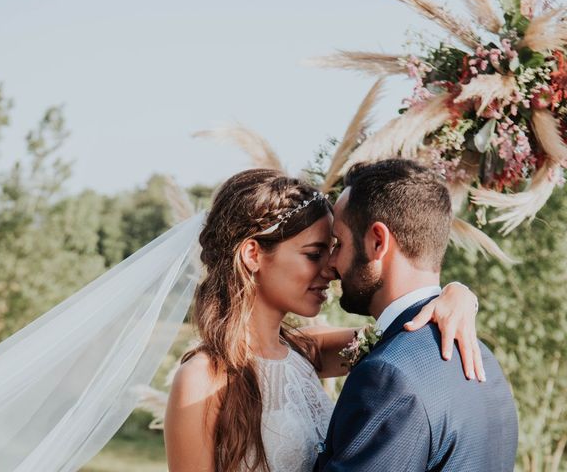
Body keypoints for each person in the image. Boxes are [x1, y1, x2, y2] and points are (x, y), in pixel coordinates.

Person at [164, 168, 482, 472]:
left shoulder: (306, 350)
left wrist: (458, 294)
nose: (330, 268)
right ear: (253, 254)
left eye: (332, 250)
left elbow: (403, 337)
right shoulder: (203, 377)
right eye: (314, 254)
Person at [314, 159, 518, 471]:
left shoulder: (388, 376)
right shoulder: (485, 362)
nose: (330, 264)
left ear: (378, 242)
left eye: (338, 243)